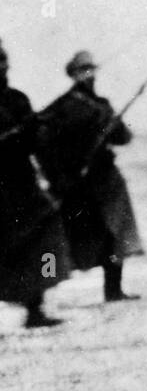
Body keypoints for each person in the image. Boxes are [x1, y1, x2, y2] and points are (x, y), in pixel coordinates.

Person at [34, 50, 143, 302]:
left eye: (90, 69)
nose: (88, 75)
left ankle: (113, 289)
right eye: (82, 71)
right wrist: (59, 172)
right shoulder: (64, 107)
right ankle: (40, 298)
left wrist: (113, 123)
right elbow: (43, 138)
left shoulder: (101, 105)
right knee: (74, 235)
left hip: (105, 178)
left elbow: (123, 138)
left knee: (115, 232)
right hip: (80, 182)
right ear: (72, 75)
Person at [0, 41, 71, 328]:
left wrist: (34, 130)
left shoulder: (17, 99)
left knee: (44, 236)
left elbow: (35, 145)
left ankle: (36, 307)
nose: (3, 67)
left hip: (22, 184)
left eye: (4, 61)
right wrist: (13, 136)